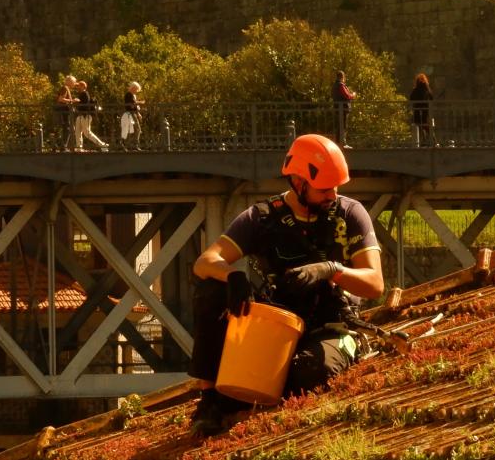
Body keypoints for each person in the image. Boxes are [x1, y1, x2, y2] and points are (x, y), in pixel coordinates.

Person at [186, 133, 385, 436]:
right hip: (276, 326)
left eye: (336, 187)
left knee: (309, 373)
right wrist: (232, 275)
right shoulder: (262, 218)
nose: (332, 194)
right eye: (323, 188)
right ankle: (210, 399)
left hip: (331, 328)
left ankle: (264, 389)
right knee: (211, 288)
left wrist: (331, 270)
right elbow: (205, 262)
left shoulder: (350, 214)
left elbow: (375, 284)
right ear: (298, 181)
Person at [72, 77, 108, 151]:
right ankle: (79, 147)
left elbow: (85, 104)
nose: (77, 87)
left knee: (87, 132)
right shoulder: (81, 94)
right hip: (80, 115)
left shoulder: (85, 93)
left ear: (83, 86)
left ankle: (102, 145)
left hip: (85, 115)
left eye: (79, 86)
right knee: (77, 132)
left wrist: (77, 101)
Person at [409, 72, 435, 147]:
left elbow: (411, 99)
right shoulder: (427, 89)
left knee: (418, 125)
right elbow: (431, 98)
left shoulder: (415, 90)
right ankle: (432, 141)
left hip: (417, 111)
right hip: (426, 111)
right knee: (427, 126)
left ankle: (421, 142)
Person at [331, 69, 355, 147]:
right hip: (343, 108)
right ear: (342, 77)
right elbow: (347, 95)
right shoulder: (340, 85)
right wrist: (353, 95)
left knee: (339, 125)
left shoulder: (334, 86)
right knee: (343, 125)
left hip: (337, 107)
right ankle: (343, 143)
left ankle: (338, 142)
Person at [119, 81, 144, 150]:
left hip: (132, 114)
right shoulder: (128, 95)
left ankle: (128, 144)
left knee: (133, 129)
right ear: (133, 88)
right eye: (136, 89)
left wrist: (138, 113)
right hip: (130, 114)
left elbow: (134, 105)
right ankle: (133, 144)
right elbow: (132, 104)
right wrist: (140, 102)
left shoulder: (133, 95)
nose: (136, 91)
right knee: (136, 129)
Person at [55, 76, 77, 151]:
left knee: (67, 128)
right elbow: (60, 99)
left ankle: (61, 145)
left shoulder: (66, 88)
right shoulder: (65, 88)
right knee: (67, 128)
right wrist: (72, 101)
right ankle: (63, 146)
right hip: (63, 111)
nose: (74, 84)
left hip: (64, 111)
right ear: (69, 82)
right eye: (74, 82)